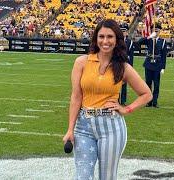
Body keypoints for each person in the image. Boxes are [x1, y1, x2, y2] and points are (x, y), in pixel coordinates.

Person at [62, 19, 152, 180]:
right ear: (96, 38)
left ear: (117, 40)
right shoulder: (81, 62)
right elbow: (76, 96)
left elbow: (146, 94)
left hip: (111, 128)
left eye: (110, 37)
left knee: (107, 177)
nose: (105, 41)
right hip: (83, 127)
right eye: (101, 36)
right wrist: (70, 129)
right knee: (82, 176)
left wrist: (126, 109)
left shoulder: (123, 67)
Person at [142, 23, 167, 108]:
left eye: (157, 30)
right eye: (154, 30)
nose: (156, 32)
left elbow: (164, 56)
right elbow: (139, 42)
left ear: (160, 31)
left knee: (156, 84)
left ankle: (155, 102)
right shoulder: (149, 39)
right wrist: (149, 37)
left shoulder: (163, 41)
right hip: (149, 64)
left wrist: (163, 67)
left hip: (157, 65)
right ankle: (148, 101)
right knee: (148, 84)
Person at [119, 26, 134, 105]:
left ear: (127, 32)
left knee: (124, 84)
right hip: (117, 65)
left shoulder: (129, 42)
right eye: (121, 31)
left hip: (125, 65)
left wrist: (130, 67)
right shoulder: (116, 41)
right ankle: (116, 100)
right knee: (116, 83)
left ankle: (123, 100)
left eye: (124, 31)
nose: (123, 33)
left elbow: (131, 56)